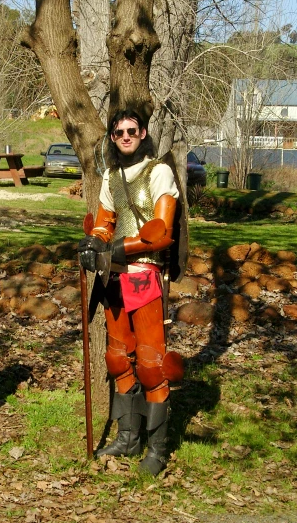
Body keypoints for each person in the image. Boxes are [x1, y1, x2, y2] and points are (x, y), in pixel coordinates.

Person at [78, 109, 184, 476]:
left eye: (131, 131)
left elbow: (161, 230)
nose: (125, 136)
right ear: (112, 137)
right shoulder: (111, 175)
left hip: (144, 275)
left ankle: (156, 449)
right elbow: (106, 221)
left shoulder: (159, 172)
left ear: (142, 133)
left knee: (152, 364)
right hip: (114, 279)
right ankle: (128, 437)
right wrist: (93, 242)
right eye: (119, 131)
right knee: (119, 359)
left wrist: (118, 248)